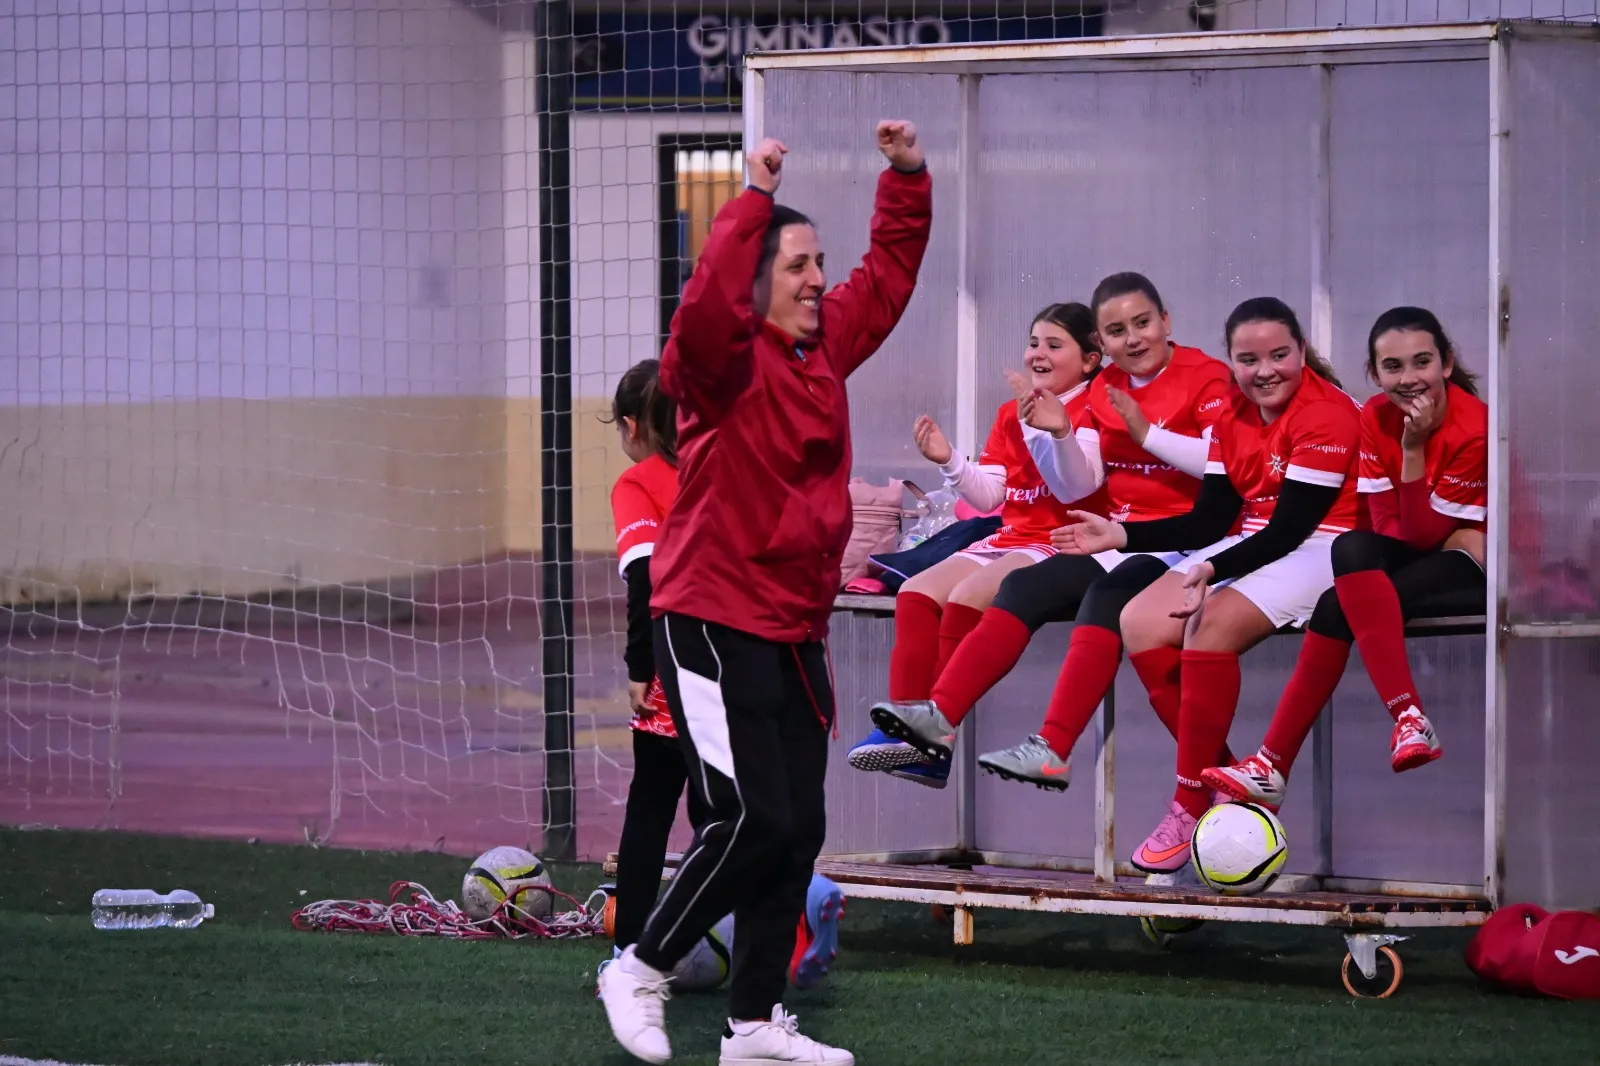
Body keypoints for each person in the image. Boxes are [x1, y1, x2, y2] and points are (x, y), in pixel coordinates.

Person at [597, 120, 932, 1066]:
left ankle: (751, 1028)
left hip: (792, 627)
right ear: (754, 279)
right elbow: (702, 304)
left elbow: (890, 278)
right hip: (711, 615)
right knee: (749, 816)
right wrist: (748, 200)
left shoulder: (822, 350)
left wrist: (904, 179)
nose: (818, 279)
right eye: (797, 264)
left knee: (801, 827)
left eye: (819, 262)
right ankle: (638, 963)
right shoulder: (717, 362)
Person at [861, 273, 1234, 788]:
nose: (1133, 339)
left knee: (1115, 614)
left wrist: (1129, 434)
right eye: (1118, 330)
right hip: (1112, 538)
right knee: (955, 590)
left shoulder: (1198, 376)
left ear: (1165, 322)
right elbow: (1055, 486)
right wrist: (977, 454)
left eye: (1143, 323)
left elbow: (1222, 467)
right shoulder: (1104, 391)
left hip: (1176, 539)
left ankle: (1214, 786)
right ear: (1105, 344)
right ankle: (930, 728)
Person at [1057, 297, 1360, 872]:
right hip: (1258, 536)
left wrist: (1212, 570)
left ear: (1302, 352)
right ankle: (1219, 778)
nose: (1264, 370)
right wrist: (1119, 535)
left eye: (1279, 355)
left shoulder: (1328, 412)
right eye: (1249, 359)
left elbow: (1292, 529)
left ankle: (1190, 798)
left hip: (1326, 541)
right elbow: (1210, 522)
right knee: (1138, 621)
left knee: (1209, 624)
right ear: (1232, 362)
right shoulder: (1233, 416)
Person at [601, 359, 844, 997]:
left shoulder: (639, 482)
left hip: (680, 658)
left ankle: (633, 957)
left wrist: (639, 666)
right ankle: (780, 937)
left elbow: (646, 576)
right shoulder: (729, 467)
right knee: (742, 814)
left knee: (653, 808)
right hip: (757, 657)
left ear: (633, 426)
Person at [1202, 307, 1488, 808]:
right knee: (1348, 551)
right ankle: (1392, 727)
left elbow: (1426, 534)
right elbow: (1386, 525)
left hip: (1473, 560)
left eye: (1421, 362)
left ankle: (1289, 756)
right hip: (1422, 541)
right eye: (1392, 367)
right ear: (1375, 375)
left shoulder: (1476, 427)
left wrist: (1414, 449)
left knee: (1342, 603)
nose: (1408, 378)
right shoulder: (1373, 416)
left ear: (1445, 364)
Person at [846, 303, 1109, 787]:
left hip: (1059, 541)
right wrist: (949, 461)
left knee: (967, 596)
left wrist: (1051, 427)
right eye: (1033, 343)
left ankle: (935, 739)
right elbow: (991, 493)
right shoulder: (1012, 411)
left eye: (1054, 345)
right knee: (916, 593)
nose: (1038, 354)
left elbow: (1077, 487)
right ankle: (903, 734)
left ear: (1090, 359)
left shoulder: (1096, 406)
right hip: (1009, 536)